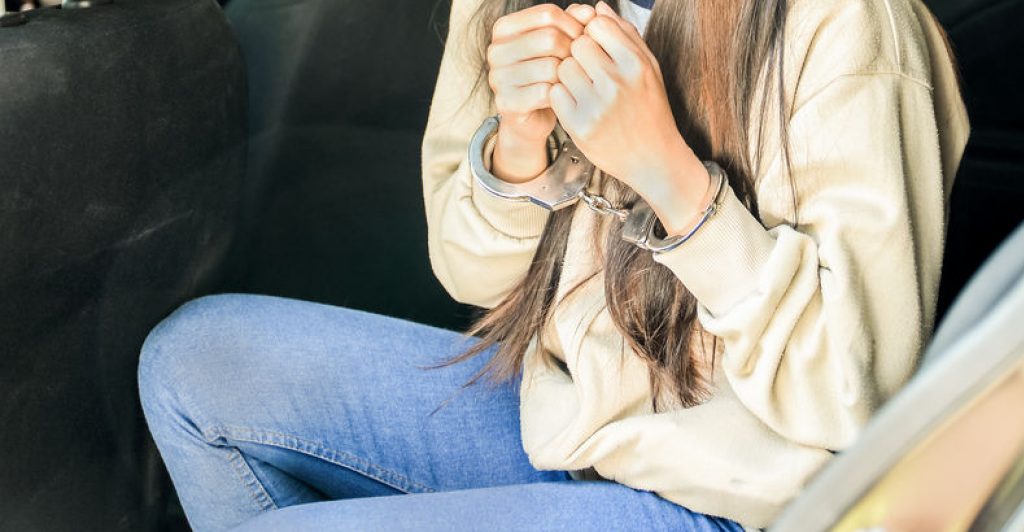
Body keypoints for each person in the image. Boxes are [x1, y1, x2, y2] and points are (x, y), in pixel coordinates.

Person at [137, 0, 968, 530]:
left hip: (743, 497)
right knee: (193, 363)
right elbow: (470, 273)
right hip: (578, 424)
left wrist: (670, 177)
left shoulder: (849, 22)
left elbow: (858, 402)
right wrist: (521, 148)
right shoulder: (507, 8)